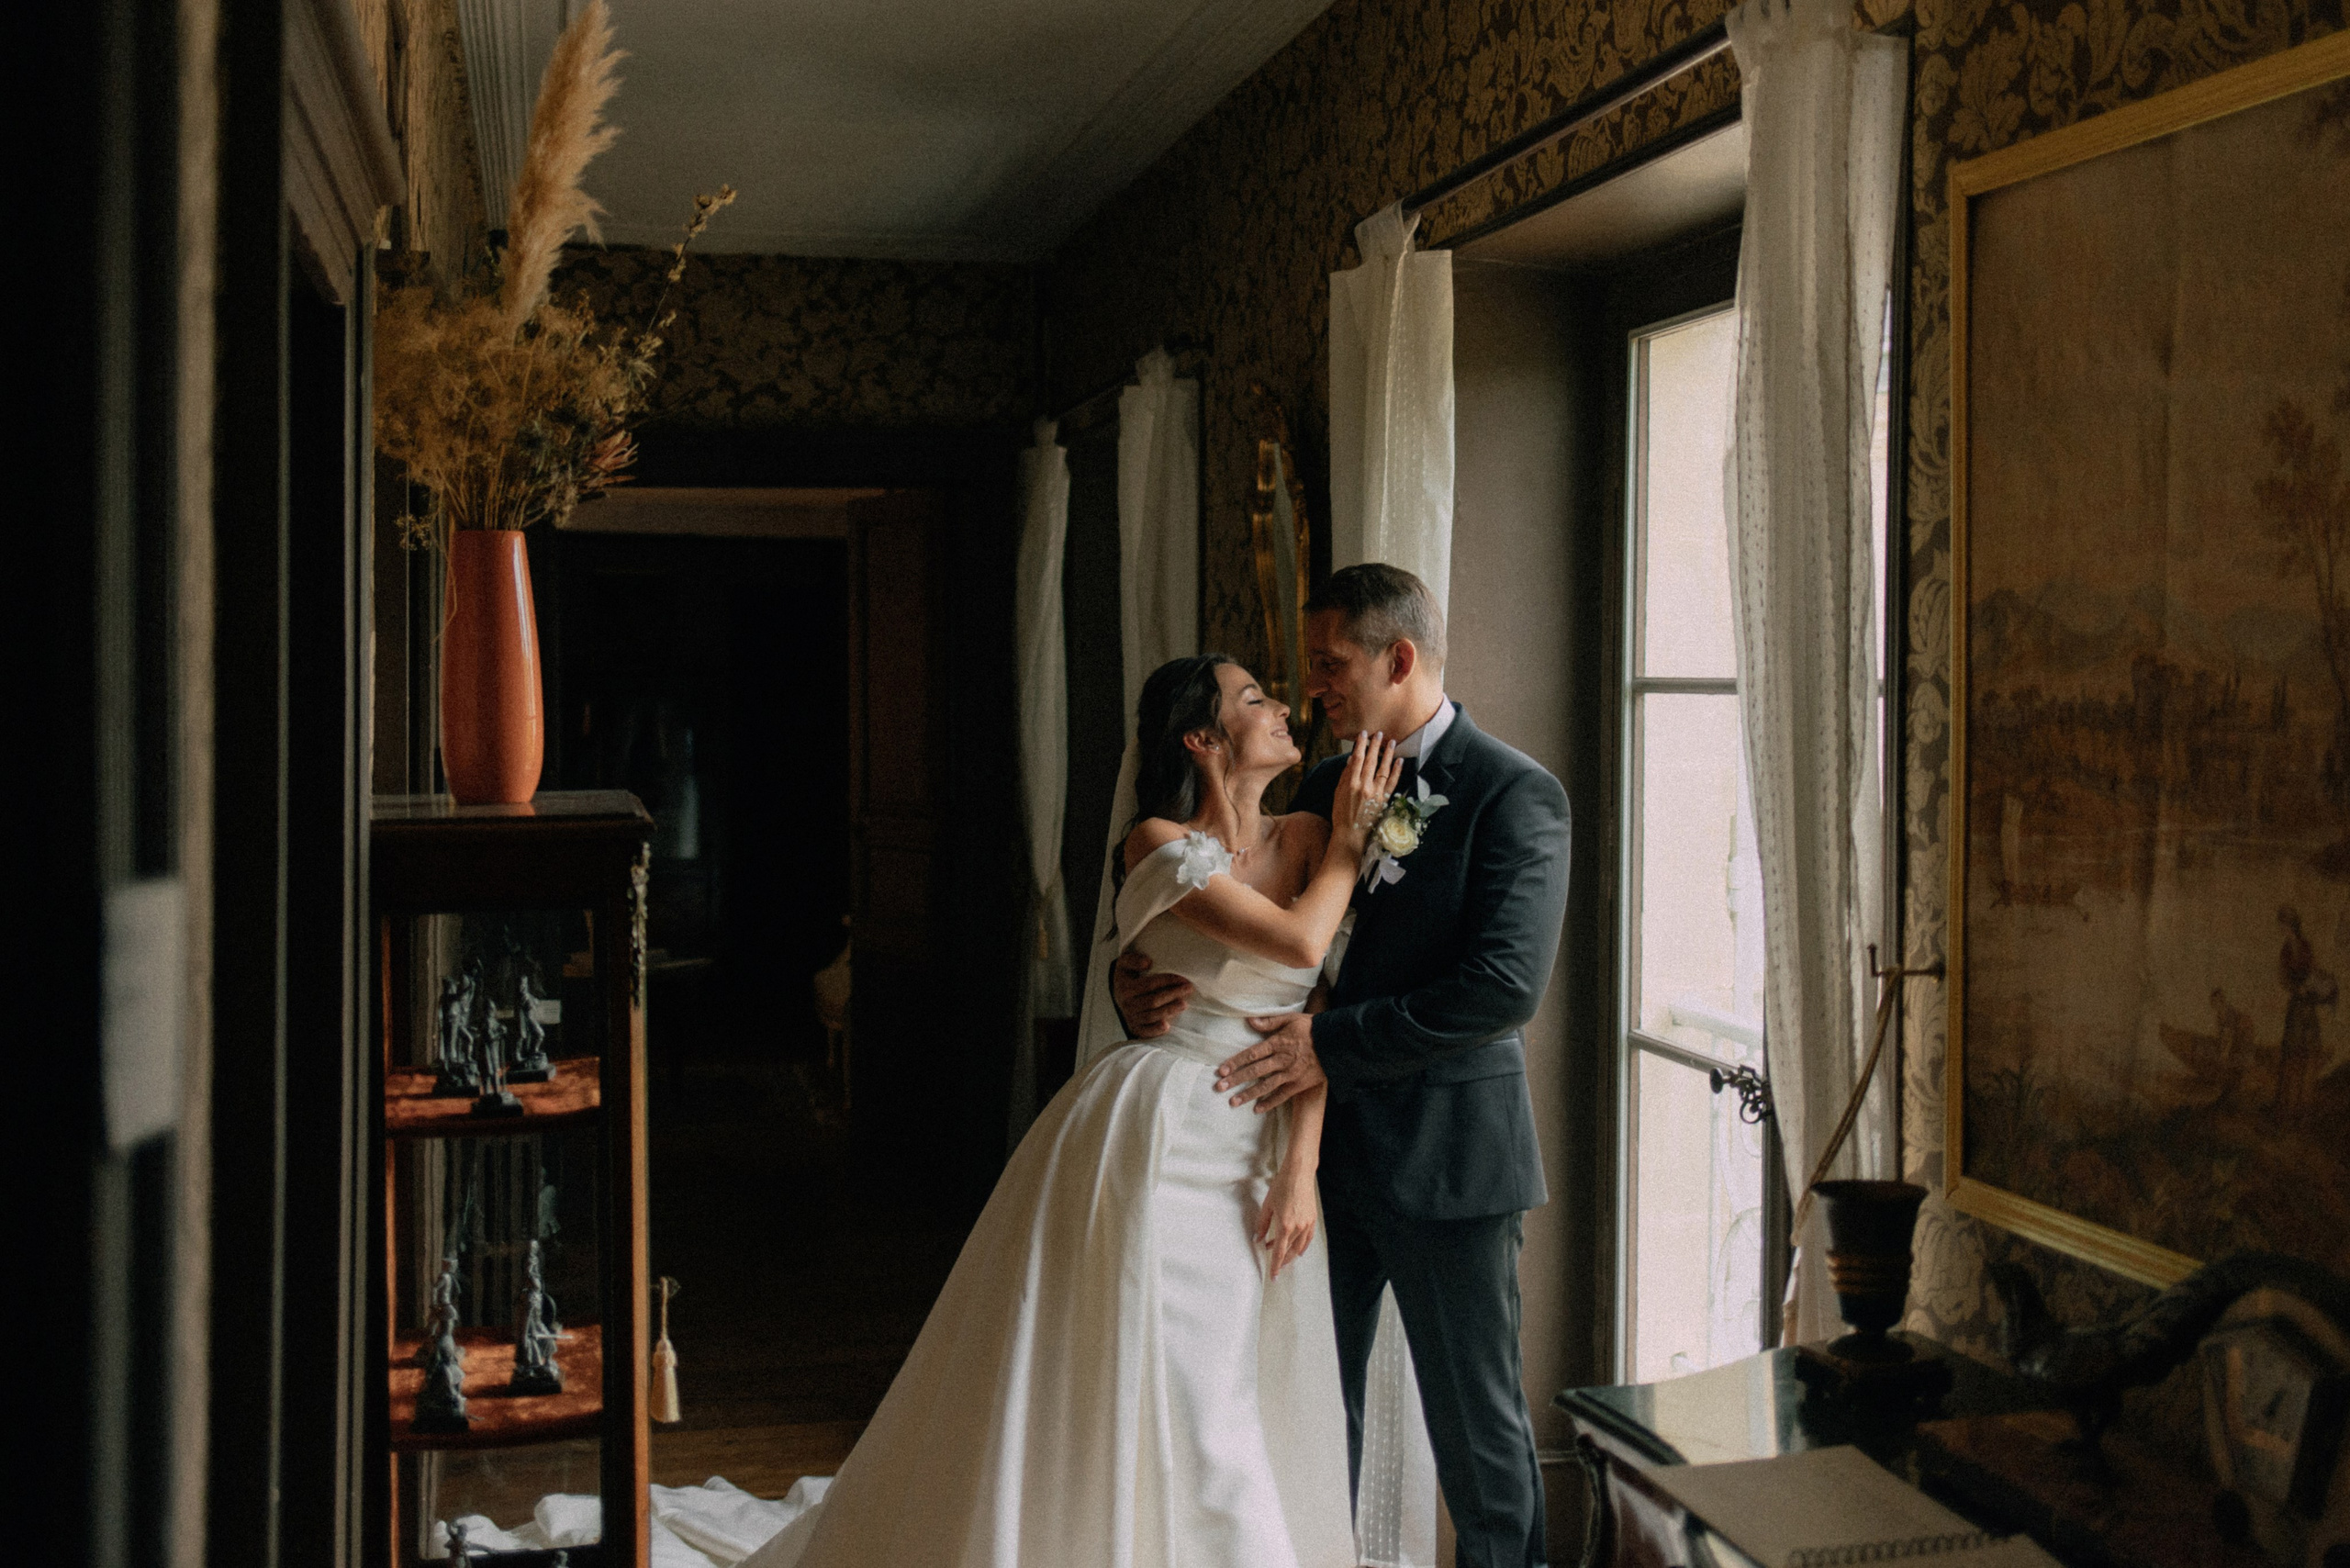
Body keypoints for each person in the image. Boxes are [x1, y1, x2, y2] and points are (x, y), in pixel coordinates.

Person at [744, 654, 1402, 1568]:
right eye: (1254, 698)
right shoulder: (1156, 842)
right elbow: (1296, 938)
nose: (1284, 706)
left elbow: (1321, 1013)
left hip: (1258, 1148)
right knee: (1174, 1384)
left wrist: (1300, 1170)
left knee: (1237, 1384)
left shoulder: (1306, 833)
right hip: (1158, 1137)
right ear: (1202, 739)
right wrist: (1348, 844)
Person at [1116, 563, 1572, 1568]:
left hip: (1448, 1156)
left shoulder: (1513, 793)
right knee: (1307, 1413)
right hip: (1302, 1156)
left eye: (1329, 665)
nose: (1310, 689)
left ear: (1397, 659)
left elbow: (1502, 988)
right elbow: (1235, 916)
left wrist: (1329, 1044)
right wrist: (1131, 976)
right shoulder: (1319, 787)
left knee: (1479, 1430)